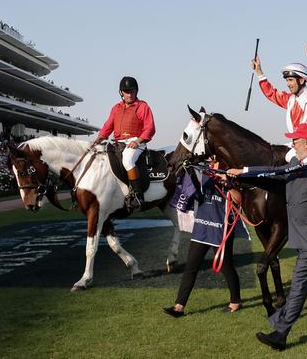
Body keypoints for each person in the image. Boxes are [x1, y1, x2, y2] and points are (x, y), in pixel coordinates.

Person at [227, 123, 307, 351]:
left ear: (306, 143)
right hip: (299, 233)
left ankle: (280, 332)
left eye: (295, 139)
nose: (291, 142)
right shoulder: (295, 163)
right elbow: (274, 174)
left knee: (300, 282)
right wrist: (243, 172)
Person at [163, 159, 244, 317]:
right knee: (191, 267)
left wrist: (228, 184)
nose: (211, 159)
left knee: (226, 267)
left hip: (221, 227)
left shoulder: (230, 171)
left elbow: (239, 199)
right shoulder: (201, 171)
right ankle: (179, 306)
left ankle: (235, 301)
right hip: (201, 226)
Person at [252, 40, 307, 162]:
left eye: (291, 80)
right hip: (296, 144)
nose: (288, 84)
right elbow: (271, 93)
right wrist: (259, 72)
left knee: (289, 158)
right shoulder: (290, 100)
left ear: (301, 80)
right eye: (287, 81)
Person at [93, 76, 155, 209]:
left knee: (127, 160)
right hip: (118, 143)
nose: (130, 94)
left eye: (132, 91)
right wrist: (99, 138)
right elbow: (108, 126)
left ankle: (137, 196)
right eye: (127, 92)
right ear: (121, 93)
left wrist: (138, 141)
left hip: (137, 142)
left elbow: (150, 128)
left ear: (136, 91)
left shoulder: (143, 106)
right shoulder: (116, 108)